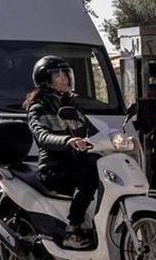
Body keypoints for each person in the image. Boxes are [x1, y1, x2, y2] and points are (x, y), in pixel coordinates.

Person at [24, 55, 100, 250]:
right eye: (57, 75)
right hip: (53, 167)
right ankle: (72, 230)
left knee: (100, 166)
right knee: (88, 176)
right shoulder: (38, 108)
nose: (64, 78)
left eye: (66, 73)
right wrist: (68, 141)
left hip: (75, 162)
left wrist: (119, 138)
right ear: (45, 80)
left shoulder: (71, 105)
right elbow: (42, 136)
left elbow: (94, 131)